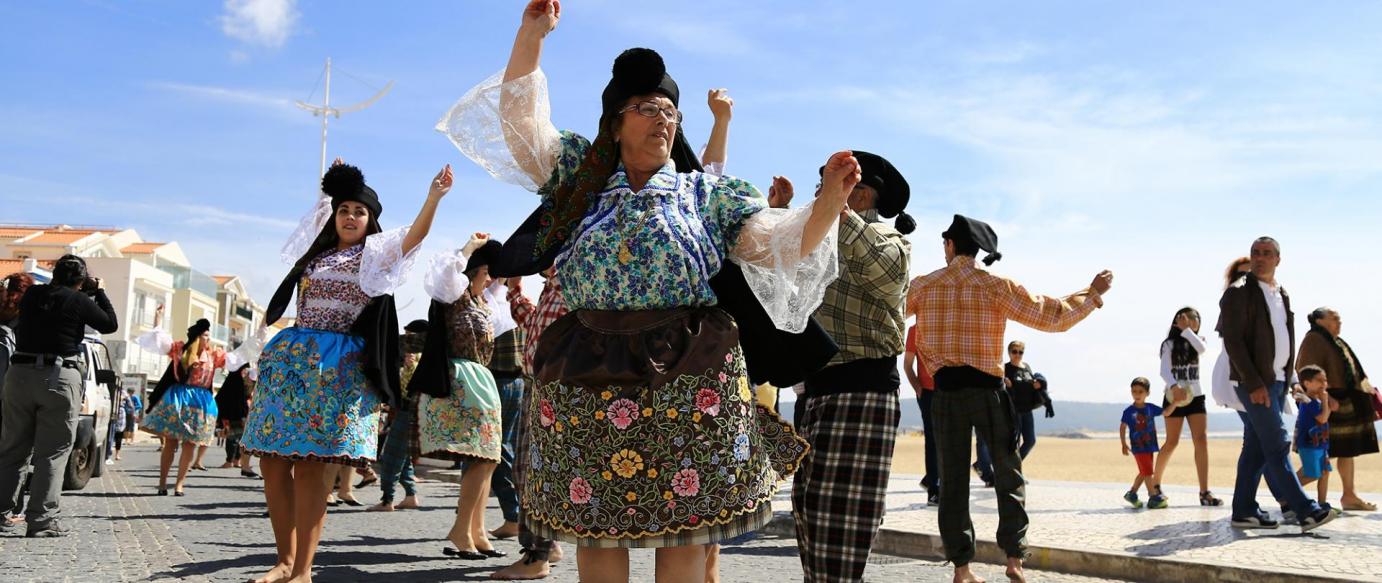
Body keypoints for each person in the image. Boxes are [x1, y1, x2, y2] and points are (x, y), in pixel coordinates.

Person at [438, 3, 853, 580]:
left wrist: (828, 202)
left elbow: (775, 243)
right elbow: (520, 124)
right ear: (615, 121)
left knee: (683, 526)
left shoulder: (706, 193)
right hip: (583, 373)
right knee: (594, 530)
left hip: (689, 376)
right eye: (647, 108)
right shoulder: (577, 177)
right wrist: (531, 35)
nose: (662, 119)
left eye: (670, 112)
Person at [240, 159, 449, 583]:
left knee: (313, 466)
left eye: (359, 211)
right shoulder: (315, 255)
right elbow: (313, 219)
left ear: (370, 220)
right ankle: (283, 560)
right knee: (273, 464)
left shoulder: (375, 256)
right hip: (294, 361)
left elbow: (414, 237)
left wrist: (433, 197)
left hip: (336, 369)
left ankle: (302, 569)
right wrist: (327, 189)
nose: (350, 217)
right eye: (344, 210)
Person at [907, 215, 1112, 583]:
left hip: (946, 394)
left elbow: (887, 313)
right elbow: (1052, 316)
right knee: (1008, 474)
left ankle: (962, 568)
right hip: (988, 391)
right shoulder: (995, 285)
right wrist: (1091, 292)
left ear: (950, 246)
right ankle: (1015, 558)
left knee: (952, 482)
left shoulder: (924, 286)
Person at [793, 149, 913, 583]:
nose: (835, 191)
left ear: (870, 197)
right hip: (815, 393)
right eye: (827, 182)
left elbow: (886, 273)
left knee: (838, 533)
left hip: (862, 391)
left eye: (850, 185)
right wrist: (775, 214)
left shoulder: (892, 241)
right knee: (810, 518)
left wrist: (838, 211)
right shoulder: (814, 237)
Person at [1218, 236, 1334, 533]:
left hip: (1279, 381)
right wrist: (1253, 382)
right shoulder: (1238, 292)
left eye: (1266, 253)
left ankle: (1243, 510)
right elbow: (1233, 342)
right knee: (1278, 444)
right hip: (1256, 383)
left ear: (1277, 259)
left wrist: (1291, 380)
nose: (1260, 258)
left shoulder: (1280, 293)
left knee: (1256, 450)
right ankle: (1305, 510)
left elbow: (1282, 338)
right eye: (1255, 253)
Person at [0, 255, 118, 537]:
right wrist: (99, 291)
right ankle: (41, 519)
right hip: (59, 376)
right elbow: (109, 324)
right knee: (52, 452)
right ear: (80, 280)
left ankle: (1, 514)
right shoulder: (80, 301)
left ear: (54, 274)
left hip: (19, 374)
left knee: (12, 448)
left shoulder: (33, 295)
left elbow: (50, 300)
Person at [413, 235, 506, 560]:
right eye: (486, 273)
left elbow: (504, 302)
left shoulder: (484, 302)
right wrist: (467, 249)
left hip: (481, 380)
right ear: (474, 272)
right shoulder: (456, 294)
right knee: (480, 457)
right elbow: (446, 273)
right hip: (463, 380)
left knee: (489, 459)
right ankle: (461, 529)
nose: (491, 279)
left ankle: (476, 529)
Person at [491, 267, 567, 580]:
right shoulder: (553, 288)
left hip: (554, 387)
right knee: (536, 471)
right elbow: (532, 321)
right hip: (542, 386)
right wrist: (515, 289)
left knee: (531, 471)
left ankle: (536, 556)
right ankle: (548, 546)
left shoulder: (568, 283)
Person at [1296, 307, 1377, 511]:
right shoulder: (1314, 339)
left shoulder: (1335, 341)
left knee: (1347, 451)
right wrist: (1327, 397)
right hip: (1328, 403)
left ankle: (1349, 496)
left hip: (1344, 401)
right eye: (1334, 318)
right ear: (1320, 320)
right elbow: (1304, 372)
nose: (1339, 322)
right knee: (1321, 455)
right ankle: (1288, 491)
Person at [138, 313, 227, 496]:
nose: (208, 339)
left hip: (201, 402)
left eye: (209, 336)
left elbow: (238, 358)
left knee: (191, 444)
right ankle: (162, 482)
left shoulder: (213, 355)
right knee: (170, 442)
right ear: (197, 336)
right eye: (204, 335)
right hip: (179, 398)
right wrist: (158, 321)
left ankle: (179, 484)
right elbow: (160, 340)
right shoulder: (180, 350)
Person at [1146, 307, 1222, 509]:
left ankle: (1204, 491)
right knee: (1172, 442)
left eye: (1195, 318)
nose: (1192, 321)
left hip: (1195, 396)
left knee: (1201, 440)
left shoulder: (1198, 340)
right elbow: (1164, 369)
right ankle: (1155, 484)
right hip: (1175, 396)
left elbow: (1202, 349)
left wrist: (1187, 330)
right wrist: (1174, 386)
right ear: (1177, 320)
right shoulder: (1169, 344)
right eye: (1187, 318)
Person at [368, 319, 427, 512]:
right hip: (414, 410)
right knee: (403, 456)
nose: (407, 341)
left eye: (410, 336)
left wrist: (408, 365)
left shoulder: (417, 358)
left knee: (392, 455)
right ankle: (410, 495)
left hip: (408, 409)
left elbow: (409, 384)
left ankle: (387, 499)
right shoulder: (429, 358)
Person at [973, 341, 1053, 486]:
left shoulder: (1027, 367)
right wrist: (1007, 386)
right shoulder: (1005, 368)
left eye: (1020, 352)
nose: (1017, 355)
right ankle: (1012, 471)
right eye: (1014, 351)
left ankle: (1008, 468)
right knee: (1013, 444)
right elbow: (1000, 388)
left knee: (1030, 441)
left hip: (1027, 410)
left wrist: (1039, 384)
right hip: (1012, 411)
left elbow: (1033, 384)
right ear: (1009, 353)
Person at [485, 275, 528, 542]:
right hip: (517, 381)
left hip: (497, 381)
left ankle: (514, 516)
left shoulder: (494, 302)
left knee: (497, 452)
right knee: (505, 449)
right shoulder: (514, 300)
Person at [1121, 377, 1172, 508]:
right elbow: (1123, 427)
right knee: (1148, 472)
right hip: (1138, 447)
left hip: (1150, 445)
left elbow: (1166, 412)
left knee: (1144, 471)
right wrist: (1123, 443)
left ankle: (1132, 493)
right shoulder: (1128, 411)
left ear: (1147, 393)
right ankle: (1153, 496)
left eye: (1140, 391)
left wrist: (1176, 402)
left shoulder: (1150, 408)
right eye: (1134, 391)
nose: (1137, 394)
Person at [904, 323, 939, 504]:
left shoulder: (950, 323)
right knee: (933, 440)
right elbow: (908, 365)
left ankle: (931, 479)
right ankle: (933, 490)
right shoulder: (915, 330)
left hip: (951, 390)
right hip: (928, 393)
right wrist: (919, 389)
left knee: (950, 439)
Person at [1293, 365, 1335, 505]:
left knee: (1324, 473)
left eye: (1325, 380)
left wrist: (1327, 402)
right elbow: (1322, 418)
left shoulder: (1317, 401)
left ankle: (1322, 504)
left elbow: (1326, 416)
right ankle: (1287, 492)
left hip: (1321, 444)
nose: (1324, 384)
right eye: (1319, 380)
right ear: (1307, 383)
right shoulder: (1307, 401)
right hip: (1309, 444)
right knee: (1312, 474)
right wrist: (1325, 401)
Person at [215, 364, 257, 478]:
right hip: (238, 411)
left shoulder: (239, 375)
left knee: (237, 438)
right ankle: (234, 461)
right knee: (235, 437)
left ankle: (235, 461)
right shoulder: (240, 376)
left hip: (240, 410)